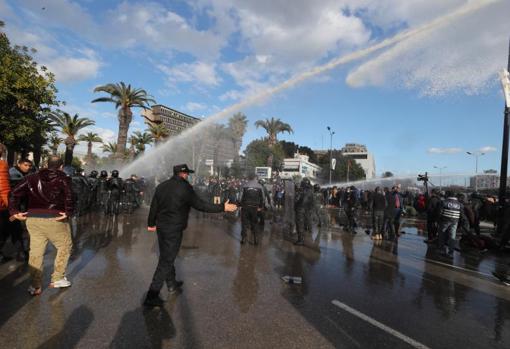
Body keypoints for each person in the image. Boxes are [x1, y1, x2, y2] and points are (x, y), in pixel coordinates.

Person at [144, 164, 237, 307]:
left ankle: (172, 284)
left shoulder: (161, 186)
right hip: (173, 229)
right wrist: (222, 207)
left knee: (167, 256)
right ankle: (152, 295)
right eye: (187, 173)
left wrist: (151, 223)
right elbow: (201, 205)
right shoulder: (185, 188)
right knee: (166, 261)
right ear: (183, 174)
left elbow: (154, 206)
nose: (188, 175)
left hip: (161, 227)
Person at [9, 156, 73, 296]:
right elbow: (70, 196)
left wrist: (14, 211)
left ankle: (34, 285)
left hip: (33, 218)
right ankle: (58, 278)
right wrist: (68, 212)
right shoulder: (64, 178)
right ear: (61, 166)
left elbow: (14, 192)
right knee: (64, 246)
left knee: (36, 251)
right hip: (55, 218)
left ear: (46, 164)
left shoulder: (31, 177)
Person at [239, 174, 265, 245]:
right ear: (255, 178)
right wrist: (261, 206)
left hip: (245, 206)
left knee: (244, 223)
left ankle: (243, 239)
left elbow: (240, 197)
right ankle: (255, 239)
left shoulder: (244, 185)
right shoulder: (260, 186)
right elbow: (263, 198)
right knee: (255, 223)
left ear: (249, 178)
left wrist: (240, 205)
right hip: (255, 207)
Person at [436, 191, 462, 258]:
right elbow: (461, 214)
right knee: (452, 237)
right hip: (455, 221)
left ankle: (442, 250)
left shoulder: (444, 202)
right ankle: (451, 253)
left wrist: (438, 221)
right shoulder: (460, 204)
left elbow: (439, 212)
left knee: (442, 235)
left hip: (445, 220)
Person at [294, 178, 314, 245]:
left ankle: (300, 240)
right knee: (306, 224)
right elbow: (312, 202)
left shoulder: (301, 191)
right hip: (308, 210)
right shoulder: (311, 191)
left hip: (300, 210)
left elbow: (297, 200)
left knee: (299, 225)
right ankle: (303, 238)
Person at [0, 144, 11, 263]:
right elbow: (3, 189)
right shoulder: (2, 165)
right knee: (3, 232)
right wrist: (11, 208)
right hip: (1, 207)